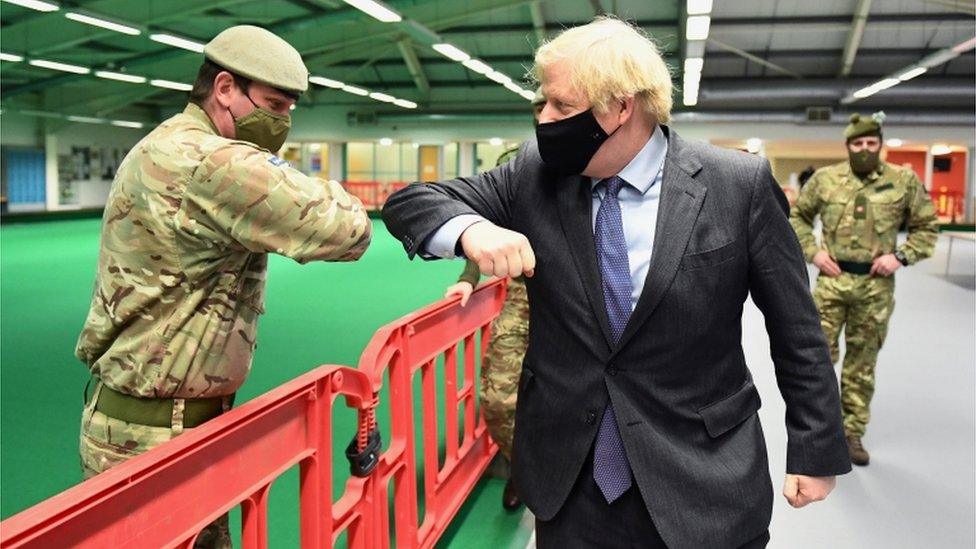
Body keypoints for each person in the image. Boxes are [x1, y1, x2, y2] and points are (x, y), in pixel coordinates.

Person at [382, 17, 849, 549]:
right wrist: (471, 229)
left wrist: (816, 448)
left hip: (702, 474)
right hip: (571, 480)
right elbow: (411, 204)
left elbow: (797, 330)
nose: (543, 118)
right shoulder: (533, 175)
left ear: (620, 107)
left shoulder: (735, 185)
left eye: (560, 105)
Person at [75, 25, 372, 547]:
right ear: (225, 88)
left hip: (168, 426)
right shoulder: (209, 160)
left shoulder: (169, 142)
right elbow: (348, 229)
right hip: (153, 438)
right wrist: (297, 178)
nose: (281, 123)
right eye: (275, 106)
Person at [790, 112, 937, 466]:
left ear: (881, 145)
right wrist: (814, 252)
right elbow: (799, 217)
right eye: (858, 144)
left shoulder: (903, 181)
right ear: (848, 146)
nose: (865, 149)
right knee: (817, 360)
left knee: (861, 363)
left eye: (872, 143)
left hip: (875, 288)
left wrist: (900, 256)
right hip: (831, 283)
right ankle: (818, 431)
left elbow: (926, 226)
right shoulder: (826, 180)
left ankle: (851, 433)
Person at [443, 89, 545, 511]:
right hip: (524, 295)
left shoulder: (601, 163)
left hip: (584, 301)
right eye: (542, 110)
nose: (550, 118)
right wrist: (468, 277)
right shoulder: (515, 166)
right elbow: (483, 227)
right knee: (500, 400)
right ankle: (524, 469)